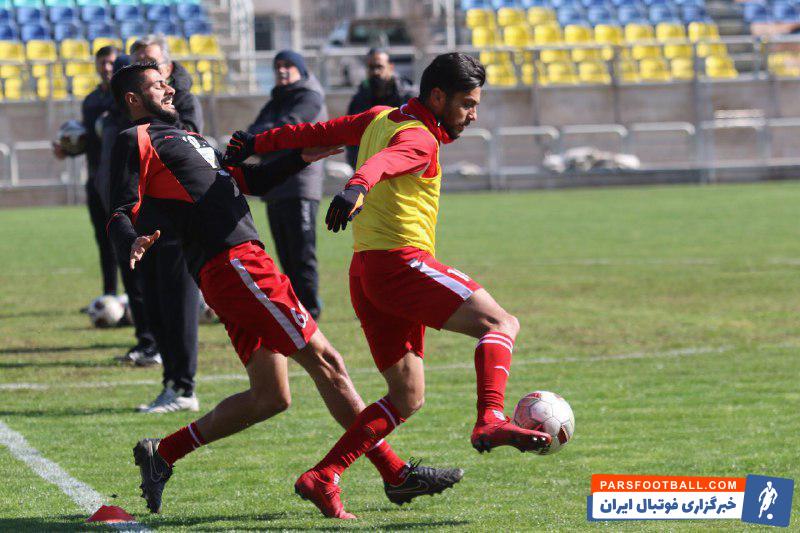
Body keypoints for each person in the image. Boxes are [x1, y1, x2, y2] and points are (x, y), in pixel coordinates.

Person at [106, 63, 463, 516]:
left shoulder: (190, 138)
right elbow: (118, 206)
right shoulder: (134, 138)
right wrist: (129, 239)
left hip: (232, 269)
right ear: (134, 100)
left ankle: (164, 454)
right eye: (157, 84)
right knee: (327, 361)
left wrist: (301, 157)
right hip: (235, 263)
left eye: (167, 81)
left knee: (270, 396)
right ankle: (394, 474)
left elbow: (244, 182)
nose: (169, 88)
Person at [223, 52, 552, 519]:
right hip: (402, 265)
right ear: (437, 97)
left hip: (366, 274)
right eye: (466, 103)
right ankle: (490, 418)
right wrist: (357, 185)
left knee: (406, 396)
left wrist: (257, 140)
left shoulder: (382, 117)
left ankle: (324, 475)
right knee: (501, 323)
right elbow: (388, 161)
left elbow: (320, 132)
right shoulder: (420, 138)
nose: (472, 114)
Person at [125, 35, 205, 411]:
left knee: (180, 306)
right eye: (139, 61)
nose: (147, 68)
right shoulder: (127, 107)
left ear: (168, 68)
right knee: (154, 306)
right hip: (144, 223)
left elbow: (186, 146)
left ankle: (185, 387)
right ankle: (171, 384)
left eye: (153, 63)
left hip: (175, 224)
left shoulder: (178, 104)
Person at [246, 50, 326, 319]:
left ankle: (310, 311)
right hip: (275, 185)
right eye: (277, 66)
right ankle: (297, 309)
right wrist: (266, 137)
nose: (282, 70)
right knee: (285, 255)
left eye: (288, 65)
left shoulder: (309, 96)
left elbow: (290, 128)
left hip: (301, 185)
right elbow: (253, 132)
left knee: (302, 253)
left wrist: (263, 138)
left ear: (300, 69)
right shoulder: (275, 100)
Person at [52, 46, 119, 298]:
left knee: (129, 238)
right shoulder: (91, 101)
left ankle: (139, 302)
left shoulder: (125, 98)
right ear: (96, 66)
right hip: (95, 178)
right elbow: (91, 140)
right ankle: (110, 296)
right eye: (102, 63)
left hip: (122, 181)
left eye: (111, 63)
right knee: (103, 240)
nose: (107, 68)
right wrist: (68, 149)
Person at [345, 48, 415, 170]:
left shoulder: (408, 97)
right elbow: (351, 137)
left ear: (390, 67)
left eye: (379, 67)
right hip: (370, 172)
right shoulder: (359, 100)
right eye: (371, 68)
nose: (375, 72)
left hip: (402, 169)